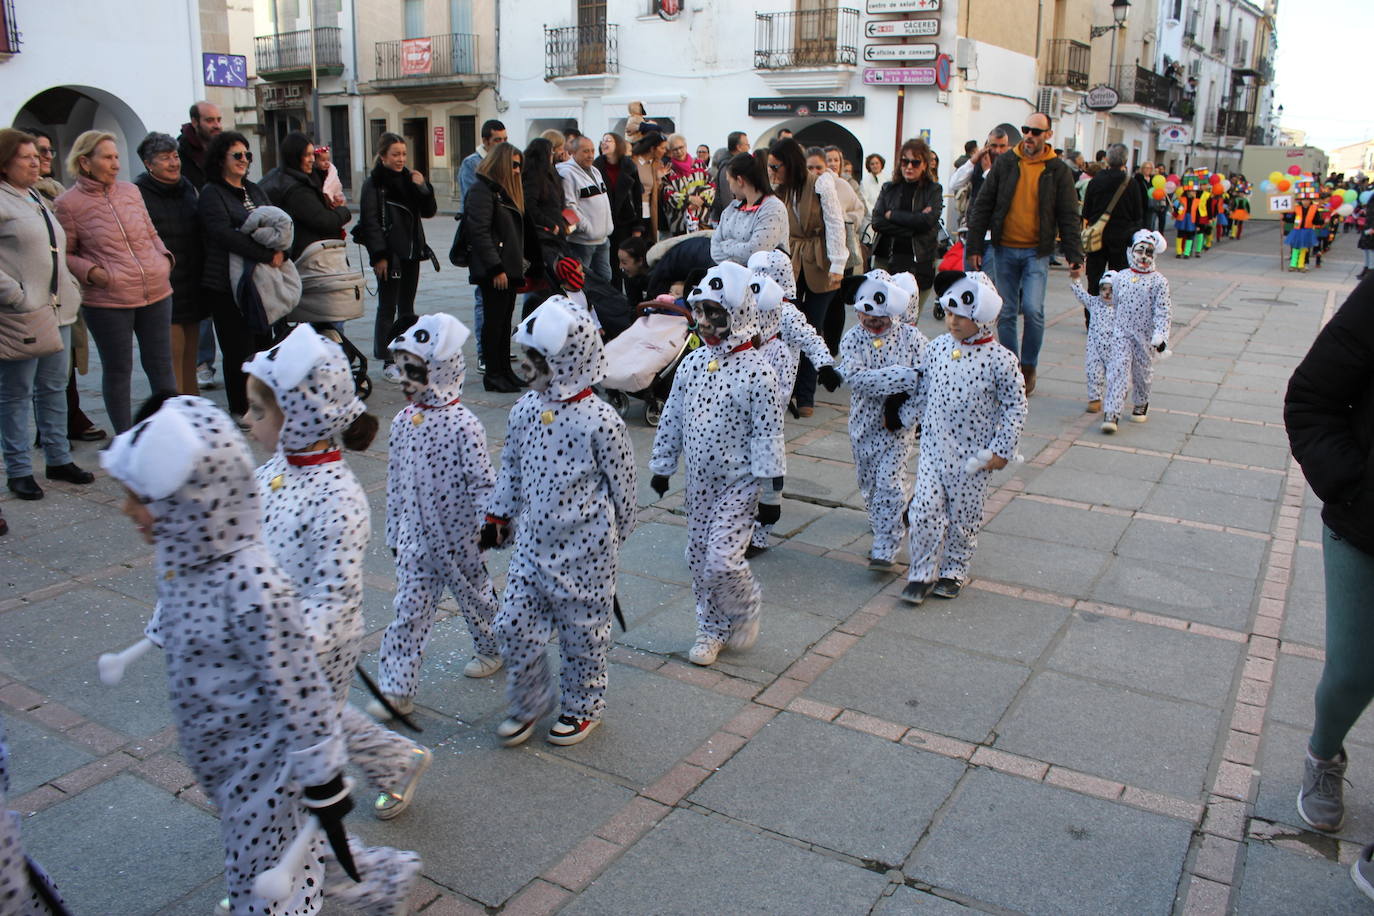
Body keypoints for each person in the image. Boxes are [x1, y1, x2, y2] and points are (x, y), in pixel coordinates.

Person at [104, 394, 421, 915]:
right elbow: (184, 599)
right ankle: (378, 882)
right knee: (292, 854)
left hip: (268, 759)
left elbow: (304, 692)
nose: (126, 510)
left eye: (138, 496)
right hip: (226, 753)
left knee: (268, 882)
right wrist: (159, 630)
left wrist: (321, 775)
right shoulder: (184, 556)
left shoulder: (252, 583)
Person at [241, 325, 432, 820]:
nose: (245, 421)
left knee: (301, 731)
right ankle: (395, 762)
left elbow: (336, 595)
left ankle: (294, 850)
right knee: (312, 721)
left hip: (316, 644)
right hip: (273, 636)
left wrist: (291, 642)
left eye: (259, 411)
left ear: (300, 416)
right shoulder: (273, 471)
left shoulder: (338, 496)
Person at [483, 296, 636, 747]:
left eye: (536, 360)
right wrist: (498, 515)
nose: (527, 369)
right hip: (532, 545)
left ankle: (583, 705)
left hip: (586, 550)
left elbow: (623, 487)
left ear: (567, 359)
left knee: (583, 634)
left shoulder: (601, 420)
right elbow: (511, 467)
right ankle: (529, 699)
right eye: (525, 359)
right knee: (512, 623)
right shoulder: (525, 410)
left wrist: (611, 540)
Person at [370, 314, 504, 725]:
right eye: (401, 370)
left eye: (413, 371)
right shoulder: (403, 422)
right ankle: (396, 687)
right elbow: (396, 480)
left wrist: (492, 524)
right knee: (409, 610)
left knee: (477, 596)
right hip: (416, 538)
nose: (404, 380)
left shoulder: (464, 424)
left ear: (440, 370)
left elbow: (483, 481)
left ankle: (493, 645)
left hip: (460, 537)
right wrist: (395, 530)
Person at [648, 262, 784, 667]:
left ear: (738, 314)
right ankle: (710, 628)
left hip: (739, 484)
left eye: (715, 314)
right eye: (700, 313)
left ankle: (743, 607)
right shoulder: (692, 364)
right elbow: (672, 415)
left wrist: (772, 491)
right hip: (700, 483)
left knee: (722, 559)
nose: (704, 323)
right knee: (697, 556)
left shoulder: (759, 373)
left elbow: (768, 432)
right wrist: (662, 463)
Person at [1283, 276, 1374, 880]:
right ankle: (1324, 753)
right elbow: (1311, 397)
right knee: (1353, 670)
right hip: (1366, 526)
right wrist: (1355, 486)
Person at [890, 271, 1026, 604]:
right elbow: (924, 390)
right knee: (923, 511)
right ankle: (921, 573)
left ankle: (954, 569)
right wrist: (903, 417)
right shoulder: (936, 349)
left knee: (964, 517)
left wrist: (1002, 449)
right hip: (935, 451)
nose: (952, 322)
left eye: (961, 317)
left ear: (983, 318)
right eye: (949, 313)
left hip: (973, 459)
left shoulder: (1001, 360)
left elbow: (1015, 407)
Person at [54, 130, 176, 434]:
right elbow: (65, 253)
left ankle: (173, 431)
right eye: (107, 157)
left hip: (156, 290)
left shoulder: (131, 192)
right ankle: (125, 437)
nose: (115, 163)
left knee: (162, 365)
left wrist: (163, 258)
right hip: (109, 300)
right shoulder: (68, 203)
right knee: (119, 370)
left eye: (116, 156)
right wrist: (93, 272)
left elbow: (150, 232)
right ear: (85, 162)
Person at [0, 128, 91, 507]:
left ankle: (58, 458)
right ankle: (19, 469)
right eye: (27, 157)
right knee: (16, 393)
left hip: (58, 310)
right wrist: (16, 295)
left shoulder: (36, 195)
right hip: (23, 314)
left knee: (54, 387)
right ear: (5, 163)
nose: (36, 162)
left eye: (37, 156)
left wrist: (70, 285)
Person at [963, 112, 1083, 395]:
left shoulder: (1057, 170)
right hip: (1004, 248)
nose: (1029, 135)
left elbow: (1068, 214)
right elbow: (984, 205)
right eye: (1026, 130)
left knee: (1033, 309)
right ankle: (1011, 366)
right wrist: (976, 246)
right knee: (1004, 313)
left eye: (1036, 132)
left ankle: (1028, 366)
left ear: (1048, 136)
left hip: (1036, 252)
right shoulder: (1006, 162)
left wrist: (1074, 253)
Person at [831, 271, 928, 570]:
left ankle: (886, 544)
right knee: (870, 483)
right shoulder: (852, 339)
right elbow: (857, 379)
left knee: (888, 482)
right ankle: (886, 515)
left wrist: (907, 414)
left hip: (898, 427)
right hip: (862, 425)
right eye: (865, 315)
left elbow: (926, 381)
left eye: (880, 318)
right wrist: (903, 376)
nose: (872, 323)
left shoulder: (913, 340)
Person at [745, 253, 836, 556]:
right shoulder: (746, 306)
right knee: (743, 460)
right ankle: (739, 522)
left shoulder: (788, 314)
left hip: (774, 393)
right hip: (741, 393)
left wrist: (825, 365)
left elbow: (811, 339)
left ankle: (764, 522)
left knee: (767, 453)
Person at [195, 130, 279, 421]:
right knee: (237, 346)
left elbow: (275, 220)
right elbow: (223, 235)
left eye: (247, 155)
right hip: (225, 283)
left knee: (261, 342)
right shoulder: (212, 193)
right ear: (221, 159)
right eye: (237, 155)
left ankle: (262, 401)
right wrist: (267, 253)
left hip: (257, 280)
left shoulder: (253, 190)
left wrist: (280, 248)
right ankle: (240, 406)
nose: (244, 160)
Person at [28, 129, 105, 445]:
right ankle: (51, 429)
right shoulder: (17, 198)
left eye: (48, 152)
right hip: (33, 294)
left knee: (66, 360)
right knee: (38, 370)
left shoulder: (56, 193)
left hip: (63, 288)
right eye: (37, 152)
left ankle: (64, 420)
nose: (46, 157)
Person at [770, 137, 846, 416]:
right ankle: (786, 390)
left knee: (812, 327)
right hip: (793, 261)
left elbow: (835, 223)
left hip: (821, 260)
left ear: (789, 164)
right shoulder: (780, 191)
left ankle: (806, 395)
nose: (772, 171)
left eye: (775, 166)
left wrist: (838, 263)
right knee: (789, 326)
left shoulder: (821, 183)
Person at [354, 132, 436, 383]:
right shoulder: (374, 184)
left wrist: (423, 187)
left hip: (411, 252)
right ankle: (387, 358)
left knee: (407, 307)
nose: (401, 159)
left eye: (403, 154)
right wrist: (379, 255)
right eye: (395, 154)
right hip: (390, 254)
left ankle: (406, 353)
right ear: (382, 156)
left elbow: (429, 211)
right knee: (387, 306)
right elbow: (370, 222)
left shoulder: (409, 179)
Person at [134, 132, 206, 397]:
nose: (173, 163)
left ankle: (193, 407)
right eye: (165, 158)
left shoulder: (187, 187)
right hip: (163, 287)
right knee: (172, 357)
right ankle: (174, 413)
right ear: (148, 163)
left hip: (192, 283)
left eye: (175, 156)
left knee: (191, 355)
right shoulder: (139, 193)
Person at [464, 141, 532, 392]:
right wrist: (495, 268)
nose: (517, 170)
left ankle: (504, 370)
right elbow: (479, 232)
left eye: (519, 166)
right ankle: (493, 374)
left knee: (503, 323)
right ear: (501, 163)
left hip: (508, 266)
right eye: (514, 165)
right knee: (493, 323)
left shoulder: (502, 191)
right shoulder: (482, 191)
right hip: (495, 269)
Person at [1099, 231, 1170, 434]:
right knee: (1117, 370)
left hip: (1145, 336)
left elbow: (1163, 311)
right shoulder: (1120, 277)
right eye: (1140, 251)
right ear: (1130, 252)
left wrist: (1160, 335)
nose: (1144, 256)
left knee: (1142, 372)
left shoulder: (1159, 281)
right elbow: (1114, 302)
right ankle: (1111, 412)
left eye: (1149, 252)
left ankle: (1141, 401)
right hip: (1122, 333)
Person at [871, 138, 944, 316]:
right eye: (905, 161)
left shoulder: (933, 190)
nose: (909, 166)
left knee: (909, 320)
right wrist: (914, 224)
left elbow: (928, 222)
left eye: (915, 162)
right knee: (882, 315)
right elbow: (877, 222)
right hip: (887, 259)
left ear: (925, 164)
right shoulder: (889, 188)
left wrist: (893, 216)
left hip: (919, 261)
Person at [458, 119, 508, 371]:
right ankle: (483, 352)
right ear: (486, 141)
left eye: (504, 140)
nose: (502, 144)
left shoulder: (502, 163)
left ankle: (499, 351)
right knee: (483, 299)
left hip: (500, 237)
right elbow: (474, 206)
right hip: (483, 241)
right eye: (497, 140)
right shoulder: (472, 164)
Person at [261, 131, 351, 259]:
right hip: (309, 259)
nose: (312, 159)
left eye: (313, 154)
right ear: (295, 157)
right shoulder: (295, 189)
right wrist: (344, 211)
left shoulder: (283, 176)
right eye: (307, 155)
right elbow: (323, 221)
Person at [948, 125, 1017, 273]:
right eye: (994, 146)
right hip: (974, 233)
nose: (997, 151)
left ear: (1008, 146)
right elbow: (954, 183)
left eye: (1002, 146)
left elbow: (1001, 195)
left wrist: (987, 172)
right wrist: (973, 161)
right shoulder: (978, 163)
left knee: (988, 284)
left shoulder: (1012, 166)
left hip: (996, 235)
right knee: (970, 281)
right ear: (987, 146)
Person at [1081, 143, 1143, 297]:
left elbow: (1086, 211)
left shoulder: (1095, 181)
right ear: (1126, 160)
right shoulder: (1132, 184)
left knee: (1094, 281)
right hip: (1121, 238)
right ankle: (1116, 317)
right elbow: (1138, 214)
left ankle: (1093, 317)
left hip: (1097, 236)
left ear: (1107, 159)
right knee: (1120, 281)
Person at [710, 150, 787, 266]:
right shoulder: (732, 207)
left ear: (740, 181)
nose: (729, 188)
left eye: (729, 182)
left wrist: (727, 245)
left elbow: (756, 252)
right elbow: (714, 248)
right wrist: (738, 254)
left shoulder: (773, 208)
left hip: (764, 282)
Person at [559, 136, 614, 282]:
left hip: (602, 238)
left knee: (605, 278)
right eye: (585, 151)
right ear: (574, 152)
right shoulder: (567, 174)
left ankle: (601, 306)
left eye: (592, 151)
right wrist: (586, 228)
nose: (590, 155)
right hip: (583, 241)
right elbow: (569, 206)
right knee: (582, 280)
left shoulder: (595, 171)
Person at [594, 132, 644, 287]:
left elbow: (637, 199)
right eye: (602, 140)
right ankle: (613, 297)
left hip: (625, 221)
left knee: (626, 261)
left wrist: (638, 227)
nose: (604, 143)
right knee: (609, 264)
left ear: (618, 145)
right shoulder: (596, 167)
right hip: (603, 222)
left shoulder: (629, 166)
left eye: (608, 140)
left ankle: (631, 298)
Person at [521, 136, 569, 288]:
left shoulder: (550, 174)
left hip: (555, 231)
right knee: (543, 282)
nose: (553, 155)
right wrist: (551, 225)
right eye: (551, 152)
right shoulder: (534, 177)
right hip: (544, 235)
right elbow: (530, 207)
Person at [1070, 270, 1117, 414]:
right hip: (1094, 348)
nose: (1107, 293)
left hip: (1115, 349)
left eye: (1111, 290)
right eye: (1104, 289)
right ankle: (1094, 398)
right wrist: (1076, 279)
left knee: (1116, 374)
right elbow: (1081, 295)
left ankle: (1115, 397)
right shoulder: (1094, 302)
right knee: (1093, 372)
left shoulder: (1121, 307)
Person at [661, 135, 714, 237]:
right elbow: (667, 194)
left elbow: (711, 185)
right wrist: (689, 200)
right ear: (670, 151)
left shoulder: (699, 165)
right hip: (680, 224)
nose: (679, 151)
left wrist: (701, 200)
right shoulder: (668, 170)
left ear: (686, 146)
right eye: (675, 149)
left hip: (702, 221)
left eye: (681, 147)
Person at [178, 101, 222, 191]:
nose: (217, 125)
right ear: (194, 122)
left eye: (219, 120)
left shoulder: (224, 148)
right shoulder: (180, 151)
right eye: (210, 120)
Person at [631, 133, 668, 242]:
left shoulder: (656, 164)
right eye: (662, 148)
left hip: (649, 211)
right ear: (652, 148)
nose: (665, 151)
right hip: (634, 212)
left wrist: (658, 179)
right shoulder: (633, 161)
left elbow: (655, 191)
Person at [709, 131, 750, 225]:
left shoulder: (737, 164)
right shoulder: (728, 166)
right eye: (747, 145)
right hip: (726, 220)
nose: (748, 148)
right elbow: (727, 197)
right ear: (739, 147)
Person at [617, 236, 651, 305]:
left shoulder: (657, 274)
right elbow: (633, 304)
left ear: (640, 261)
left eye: (624, 263)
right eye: (620, 262)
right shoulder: (628, 274)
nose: (620, 267)